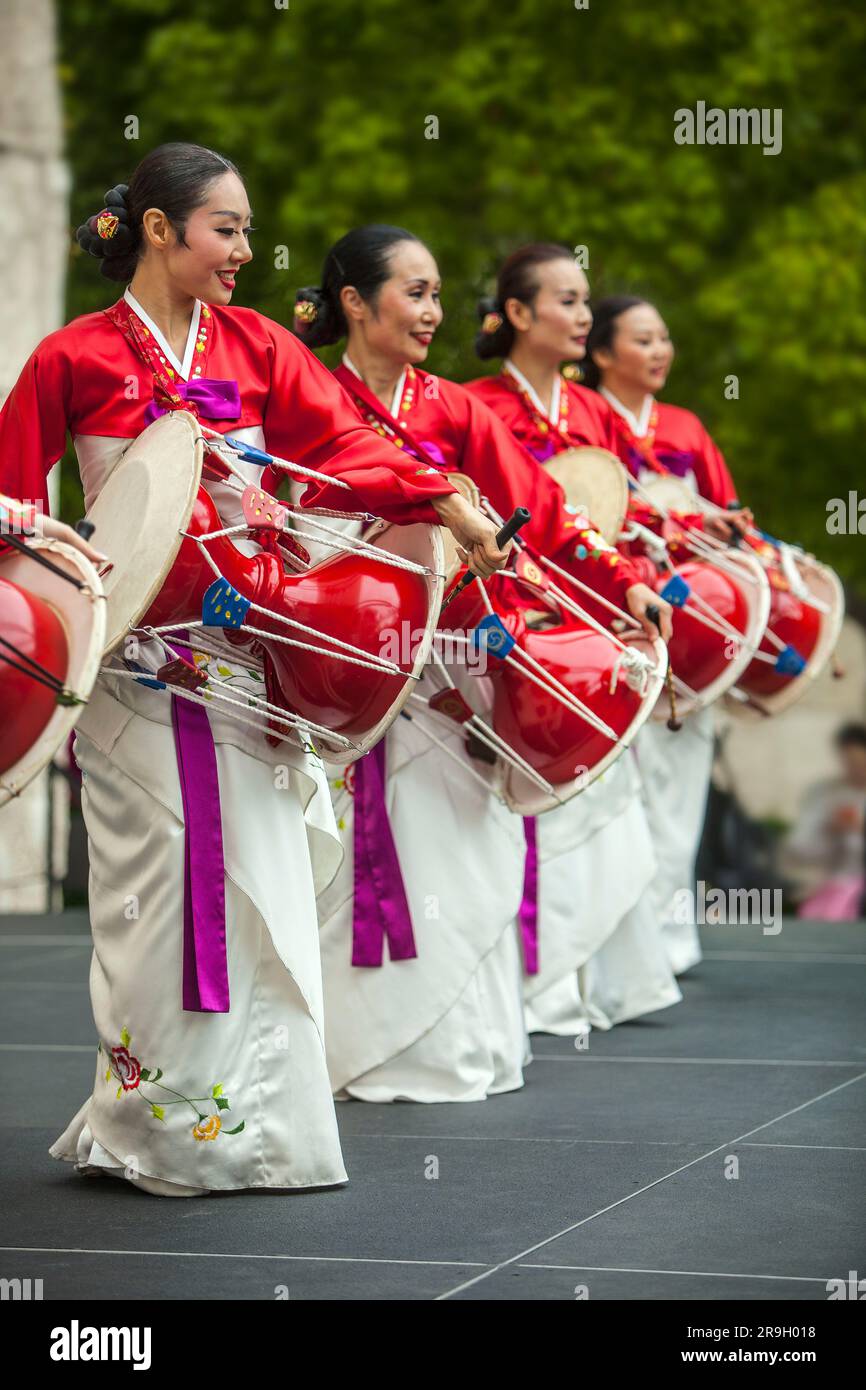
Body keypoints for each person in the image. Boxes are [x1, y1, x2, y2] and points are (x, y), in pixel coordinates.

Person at [0, 144, 510, 1194]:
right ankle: (159, 1125)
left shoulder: (261, 346)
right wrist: (61, 547)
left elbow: (343, 453)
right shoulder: (73, 357)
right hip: (138, 665)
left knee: (264, 886)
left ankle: (260, 1132)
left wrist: (434, 492)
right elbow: (11, 501)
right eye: (225, 228)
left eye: (243, 228)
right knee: (165, 891)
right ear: (157, 229)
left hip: (252, 662)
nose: (244, 249)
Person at [294, 226, 677, 1088]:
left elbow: (544, 509)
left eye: (437, 294)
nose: (433, 312)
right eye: (415, 293)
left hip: (450, 662)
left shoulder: (453, 408)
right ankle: (346, 1053)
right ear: (355, 302)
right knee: (337, 854)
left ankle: (454, 1051)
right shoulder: (307, 396)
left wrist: (625, 584)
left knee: (460, 853)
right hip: (333, 663)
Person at [465, 244, 689, 1024]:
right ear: (518, 313)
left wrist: (637, 582)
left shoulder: (590, 410)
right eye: (565, 300)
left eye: (586, 300)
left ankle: (601, 981)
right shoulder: (478, 405)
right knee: (540, 777)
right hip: (519, 609)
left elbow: (624, 512)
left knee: (605, 787)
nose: (583, 314)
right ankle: (539, 984)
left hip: (598, 600)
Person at [583, 293, 753, 973]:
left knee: (681, 781)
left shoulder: (685, 426)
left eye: (663, 339)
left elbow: (731, 511)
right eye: (643, 339)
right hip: (610, 613)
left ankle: (670, 939)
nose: (660, 351)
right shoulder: (587, 421)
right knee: (615, 785)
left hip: (688, 624)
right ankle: (614, 947)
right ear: (600, 353)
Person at [786, 723, 866, 921]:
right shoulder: (826, 795)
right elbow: (799, 846)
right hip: (834, 886)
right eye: (850, 763)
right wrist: (829, 829)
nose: (857, 770)